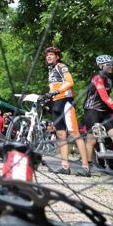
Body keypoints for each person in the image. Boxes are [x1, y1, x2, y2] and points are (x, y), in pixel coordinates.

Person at [42, 46, 90, 176]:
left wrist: (57, 91)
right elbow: (54, 88)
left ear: (57, 57)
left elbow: (70, 82)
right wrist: (47, 96)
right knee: (61, 136)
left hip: (66, 102)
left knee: (75, 134)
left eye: (51, 55)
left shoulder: (61, 66)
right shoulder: (50, 71)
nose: (49, 57)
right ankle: (65, 166)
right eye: (47, 55)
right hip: (56, 103)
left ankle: (86, 168)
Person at [83, 54, 113, 167]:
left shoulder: (109, 80)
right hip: (92, 111)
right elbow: (104, 97)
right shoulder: (97, 77)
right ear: (101, 66)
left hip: (104, 112)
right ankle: (87, 166)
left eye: (112, 64)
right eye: (109, 64)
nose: (112, 66)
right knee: (91, 140)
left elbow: (108, 99)